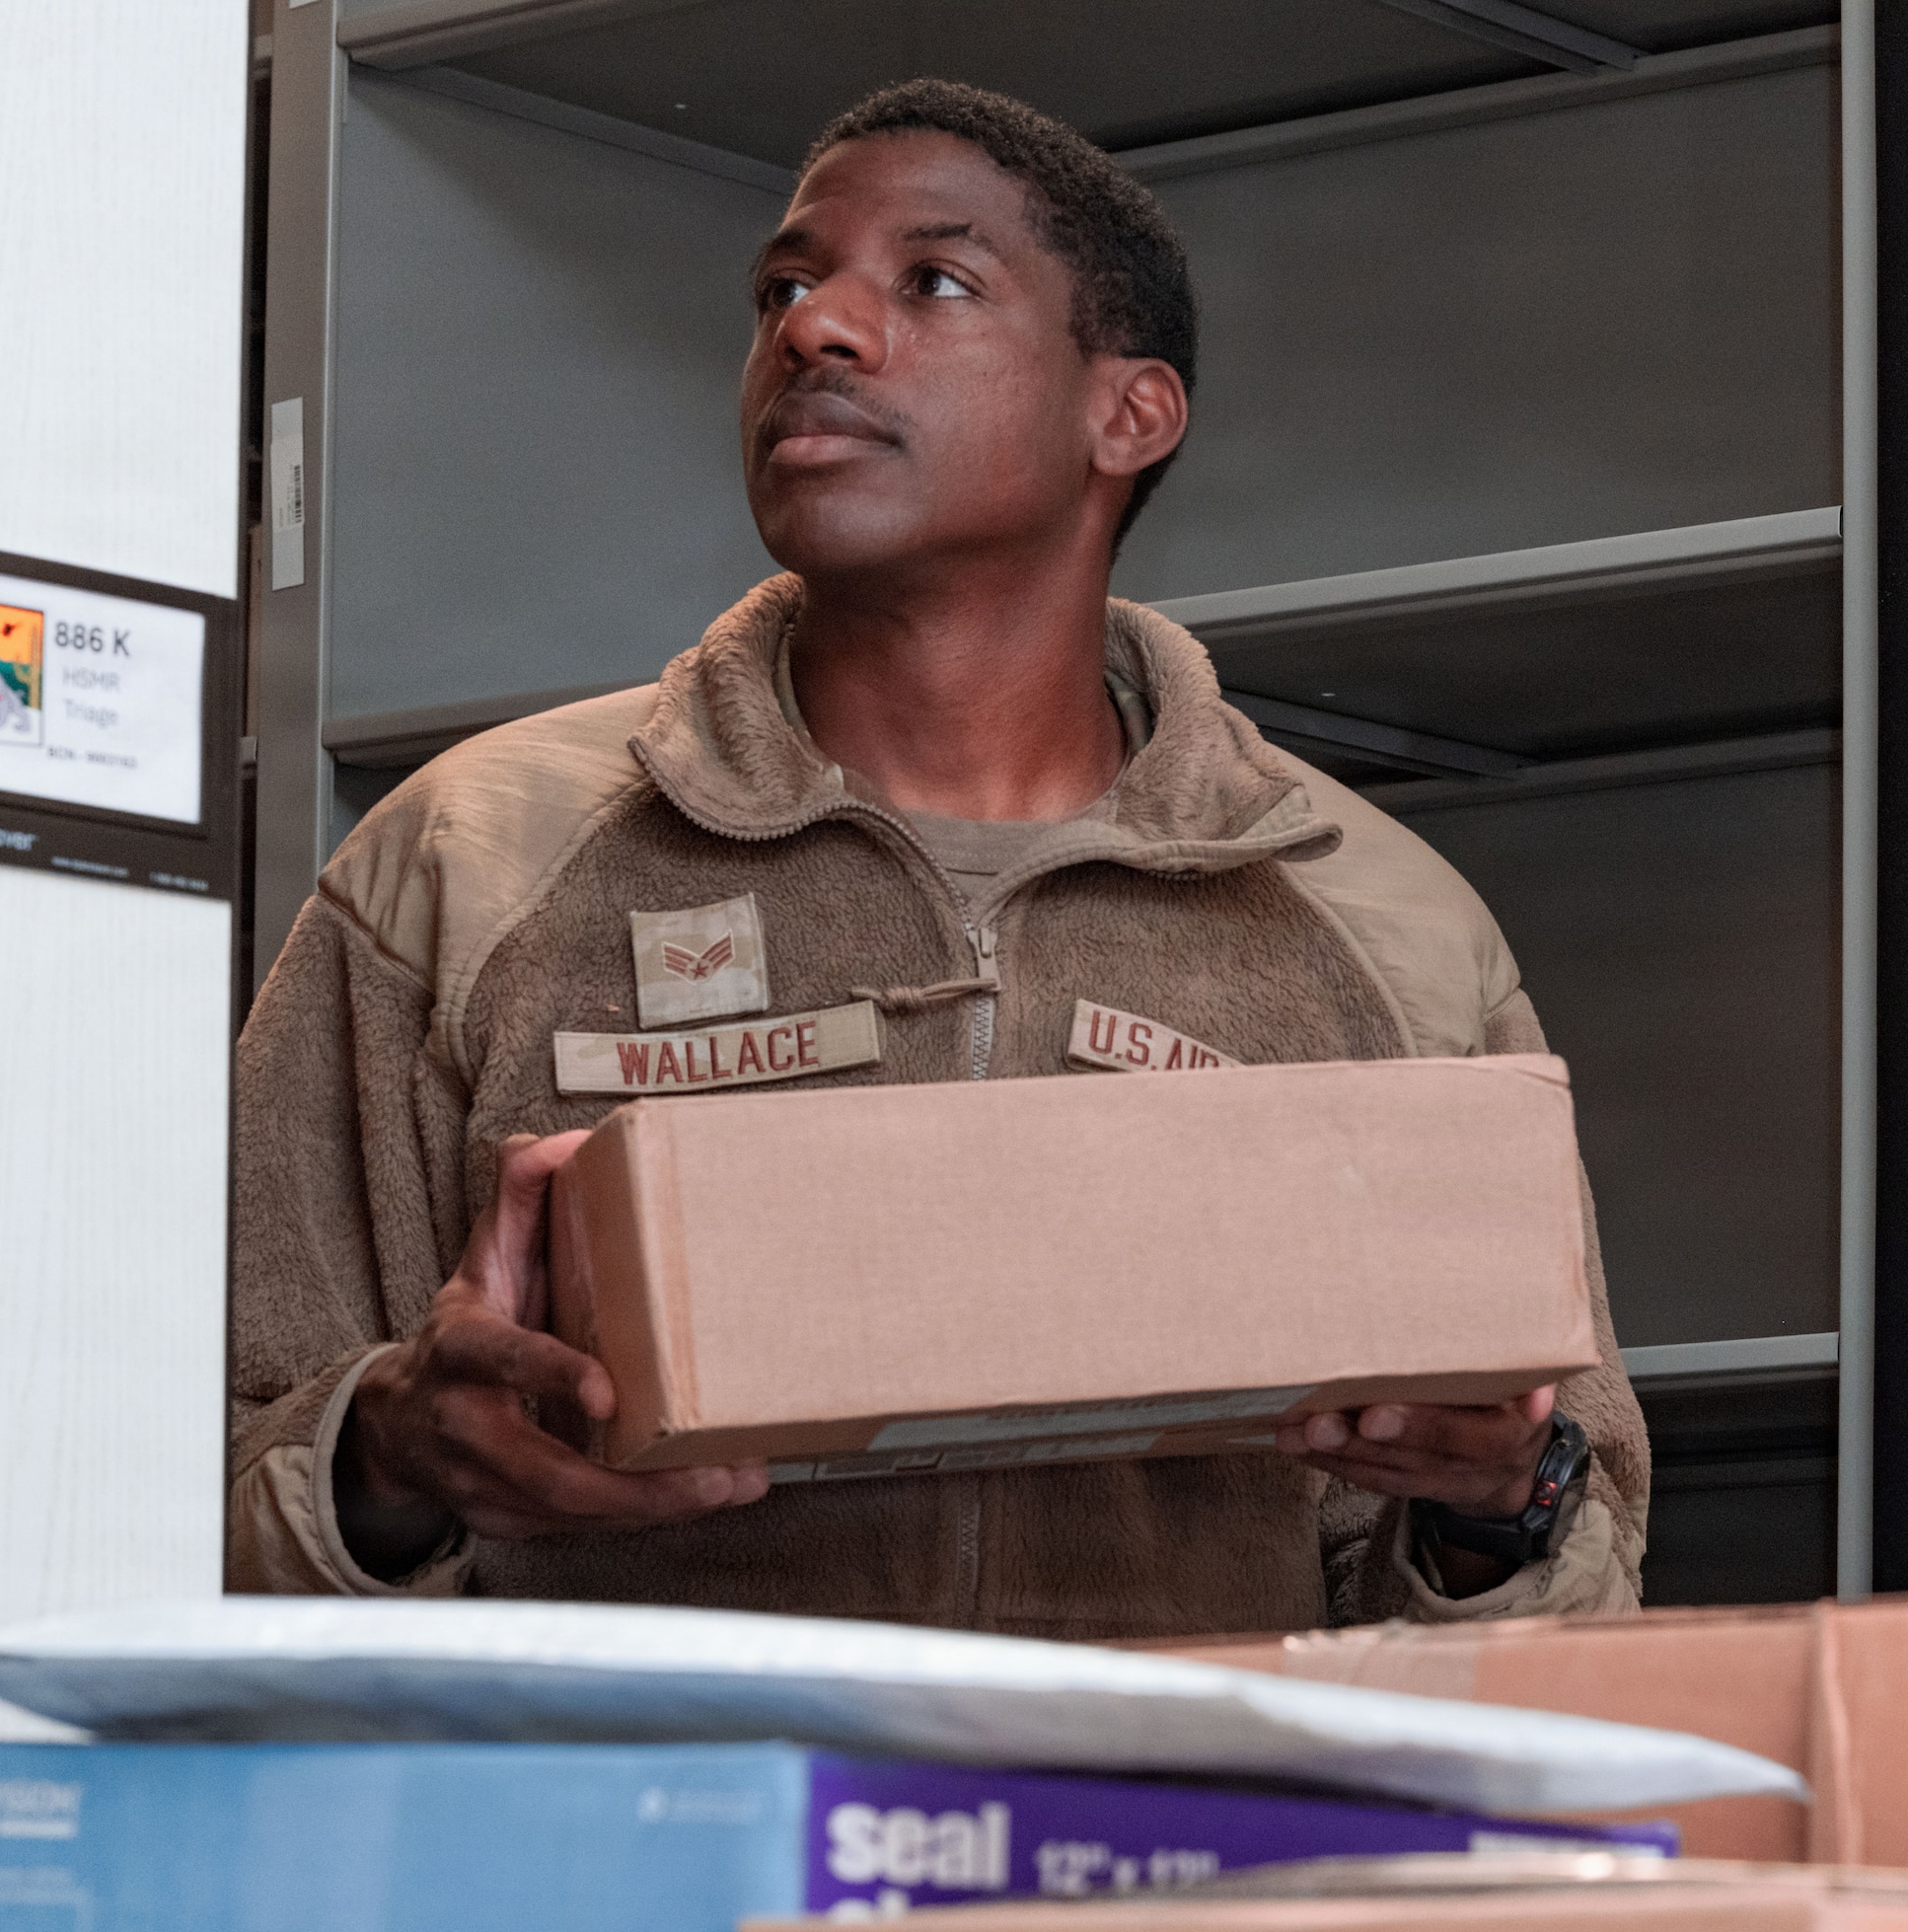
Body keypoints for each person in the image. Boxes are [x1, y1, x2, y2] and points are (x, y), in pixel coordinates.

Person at [230, 78, 1647, 1632]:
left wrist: (1498, 1511)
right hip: (640, 1853)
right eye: (785, 286)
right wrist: (389, 1454)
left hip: (1163, 1854)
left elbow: (1574, 1578)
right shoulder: (471, 855)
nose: (816, 329)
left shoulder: (1385, 929)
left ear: (1129, 413)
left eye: (934, 282)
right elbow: (179, 1483)